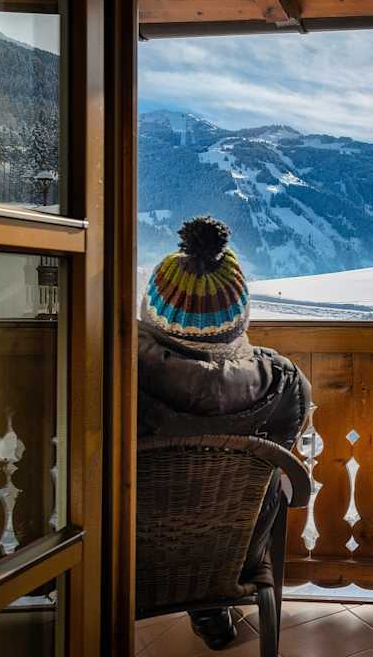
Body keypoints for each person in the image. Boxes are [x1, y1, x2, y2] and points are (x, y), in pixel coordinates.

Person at [137, 216, 311, 649]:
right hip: (228, 557)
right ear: (238, 316)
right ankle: (210, 607)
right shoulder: (284, 385)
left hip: (124, 548)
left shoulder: (115, 373)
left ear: (153, 312)